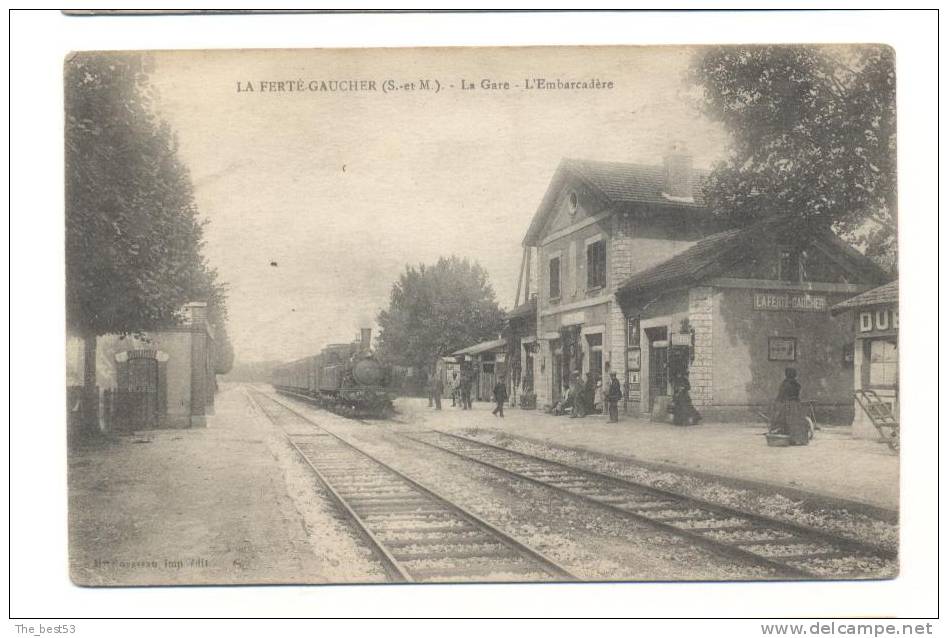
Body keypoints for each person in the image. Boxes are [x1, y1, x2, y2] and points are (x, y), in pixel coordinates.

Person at [773, 367, 809, 445]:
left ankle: (786, 438)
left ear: (786, 375)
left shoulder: (785, 384)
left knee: (785, 421)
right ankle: (799, 439)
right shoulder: (797, 384)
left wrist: (777, 402)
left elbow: (781, 395)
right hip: (796, 405)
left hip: (787, 405)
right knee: (798, 422)